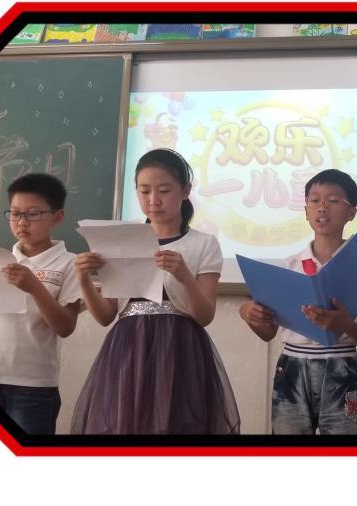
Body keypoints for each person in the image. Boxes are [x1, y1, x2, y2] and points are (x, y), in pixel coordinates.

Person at [70, 148, 239, 434]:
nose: (153, 200)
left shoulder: (203, 243)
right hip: (129, 347)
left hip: (180, 348)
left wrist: (184, 276)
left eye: (164, 190)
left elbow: (205, 315)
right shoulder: (122, 239)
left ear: (185, 190)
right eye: (144, 191)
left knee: (177, 425)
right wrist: (84, 279)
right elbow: (105, 315)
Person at [239, 169, 357, 434]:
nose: (322, 207)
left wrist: (344, 324)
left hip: (343, 367)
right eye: (314, 200)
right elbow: (267, 333)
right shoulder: (289, 266)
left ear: (351, 213)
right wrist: (248, 314)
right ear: (306, 211)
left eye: (333, 200)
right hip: (292, 366)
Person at [0, 173, 81, 435]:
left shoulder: (69, 263)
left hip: (34, 385)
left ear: (57, 217)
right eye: (15, 213)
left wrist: (34, 287)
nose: (22, 222)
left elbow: (65, 327)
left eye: (33, 214)